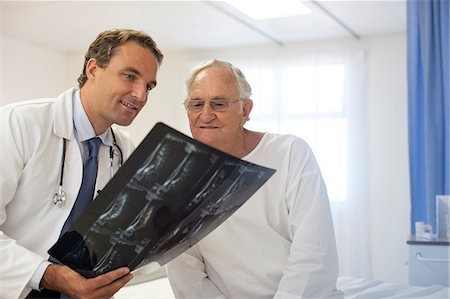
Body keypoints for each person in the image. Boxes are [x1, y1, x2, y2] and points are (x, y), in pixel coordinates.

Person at [0, 29, 164, 299]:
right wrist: (48, 274)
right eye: (130, 76)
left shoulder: (125, 150)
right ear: (93, 69)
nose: (140, 95)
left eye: (148, 85)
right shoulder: (18, 124)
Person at [166, 59, 344, 299]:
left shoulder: (291, 153)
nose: (205, 115)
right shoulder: (180, 180)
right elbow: (184, 271)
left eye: (218, 104)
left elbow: (313, 250)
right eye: (196, 104)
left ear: (245, 111)